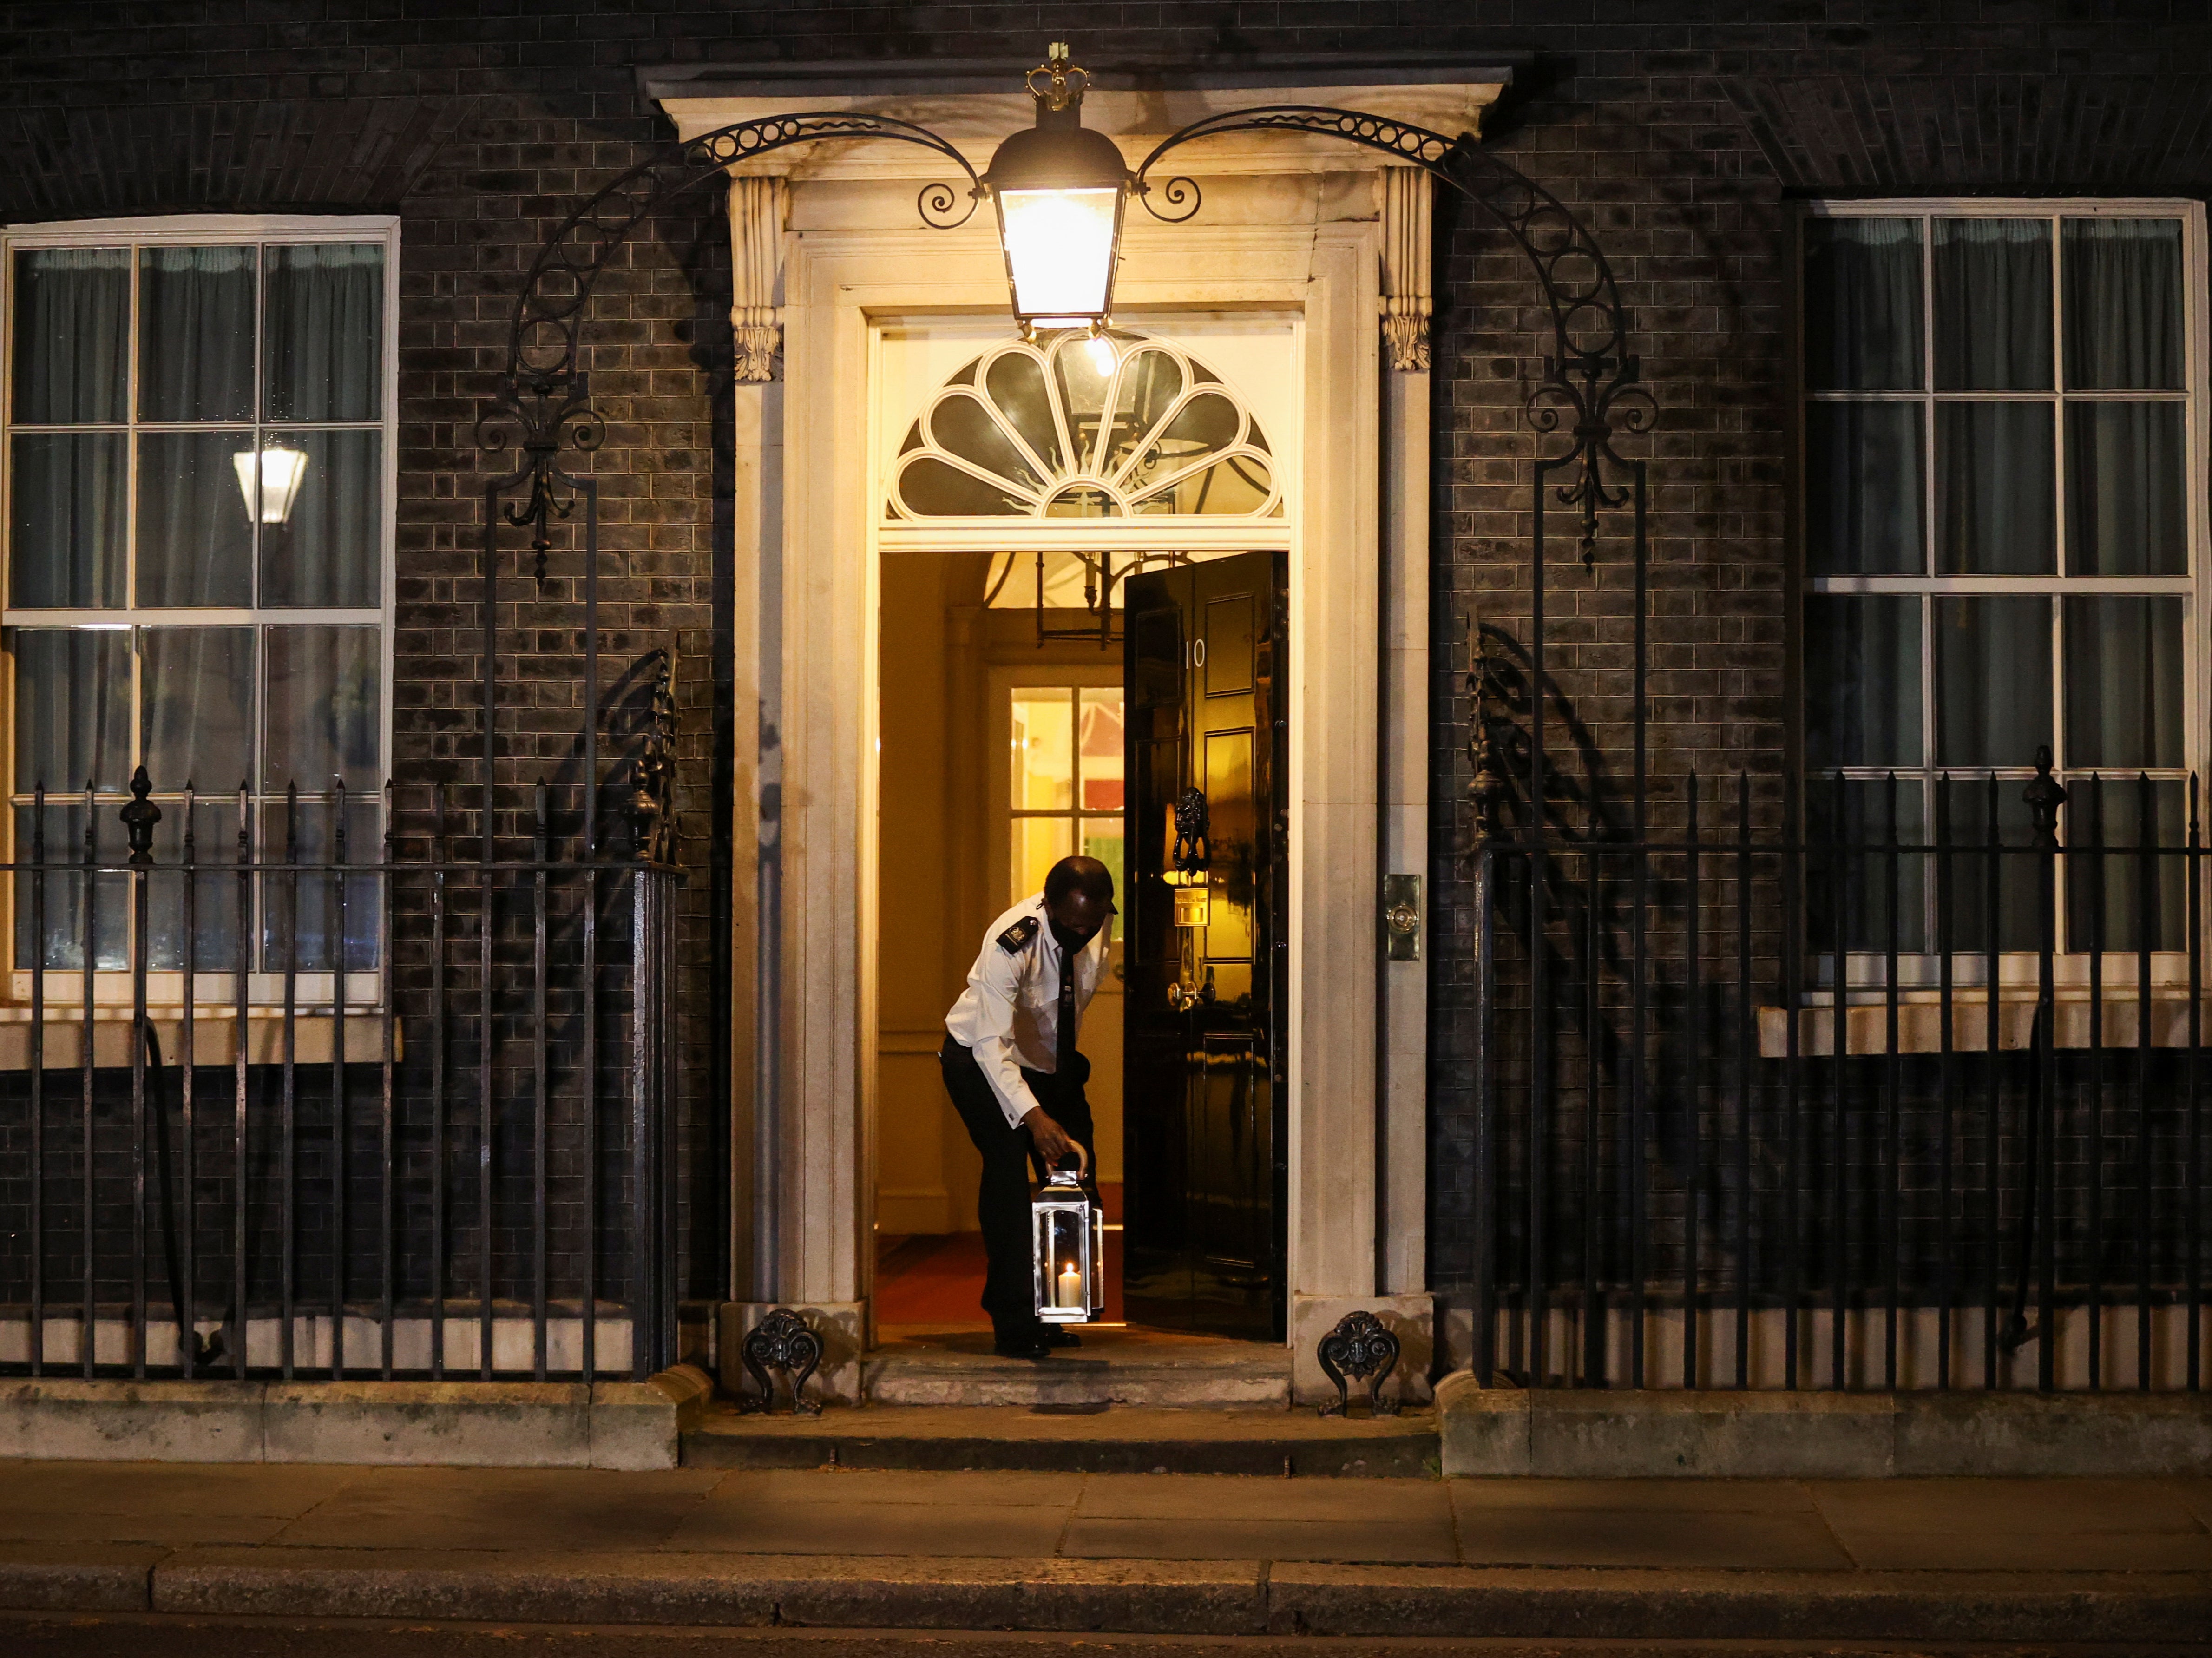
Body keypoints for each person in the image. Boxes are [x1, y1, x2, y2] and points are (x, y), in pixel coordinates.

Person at [940, 855, 1115, 1359]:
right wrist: (1033, 1117)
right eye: (1073, 924)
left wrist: (1056, 1093)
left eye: (1094, 923)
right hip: (978, 1061)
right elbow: (990, 1044)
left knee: (1073, 1176)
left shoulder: (1095, 924)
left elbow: (1064, 1010)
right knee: (1007, 1176)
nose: (1084, 933)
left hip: (1046, 1063)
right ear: (1050, 906)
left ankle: (1057, 1308)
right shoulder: (1011, 940)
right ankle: (1013, 1320)